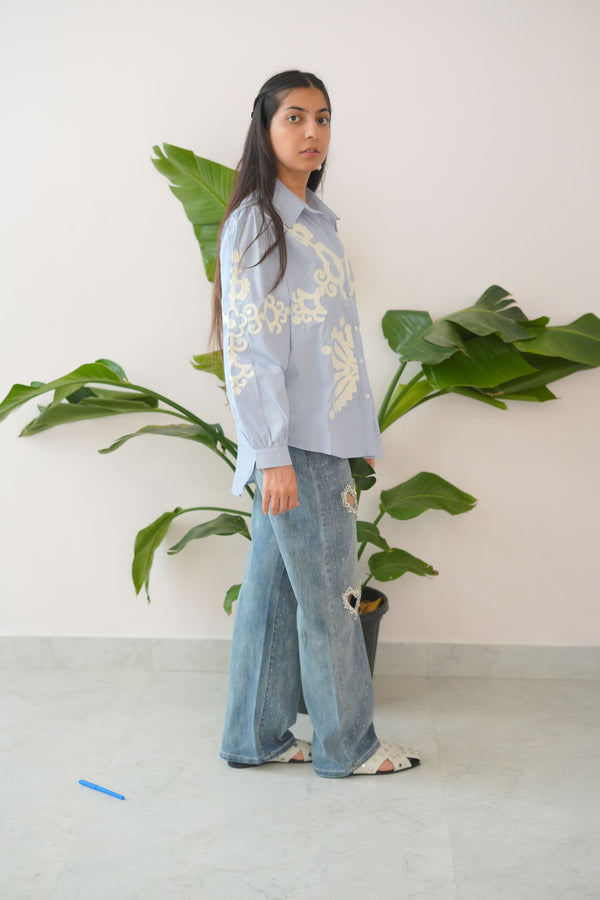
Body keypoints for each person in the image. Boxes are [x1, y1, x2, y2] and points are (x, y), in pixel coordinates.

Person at [212, 70, 420, 777]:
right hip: (296, 443)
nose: (312, 132)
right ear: (265, 129)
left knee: (273, 596)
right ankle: (346, 746)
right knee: (332, 594)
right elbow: (250, 348)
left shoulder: (317, 221)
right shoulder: (258, 222)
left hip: (319, 436)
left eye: (323, 118)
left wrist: (352, 437)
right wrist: (272, 453)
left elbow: (330, 340)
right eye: (294, 117)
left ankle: (255, 737)